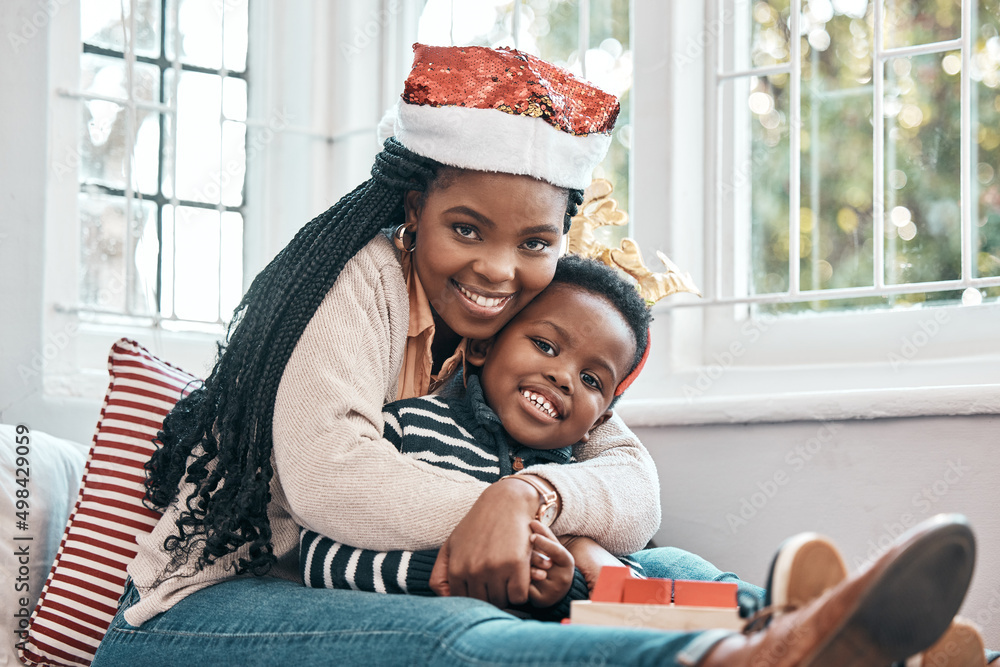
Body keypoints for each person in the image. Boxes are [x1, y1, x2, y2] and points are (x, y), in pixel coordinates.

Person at [91, 43, 978, 666]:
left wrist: (534, 492)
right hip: (202, 614)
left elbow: (632, 482)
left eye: (533, 243)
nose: (497, 269)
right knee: (459, 643)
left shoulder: (529, 332)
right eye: (466, 230)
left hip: (392, 579)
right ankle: (749, 654)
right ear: (414, 214)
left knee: (656, 569)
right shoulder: (363, 281)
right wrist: (523, 518)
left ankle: (840, 633)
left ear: (562, 241)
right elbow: (331, 477)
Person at [299, 254, 653, 620]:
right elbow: (318, 553)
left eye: (591, 380)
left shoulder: (580, 485)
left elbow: (634, 582)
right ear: (482, 347)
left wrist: (562, 591)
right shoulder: (409, 427)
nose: (564, 377)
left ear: (599, 422)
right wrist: (447, 569)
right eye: (545, 346)